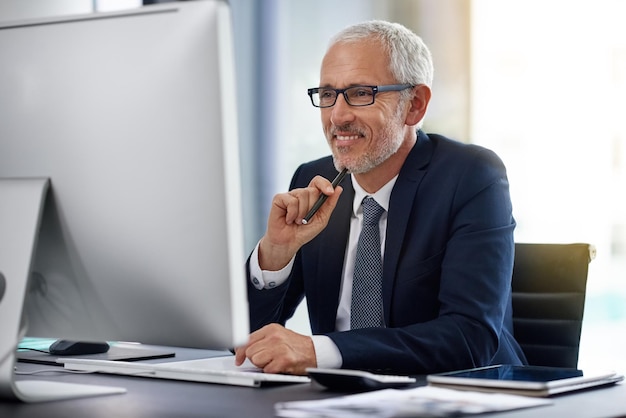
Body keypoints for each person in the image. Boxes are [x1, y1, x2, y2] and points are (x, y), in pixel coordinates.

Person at [235, 20, 527, 376]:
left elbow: (470, 339)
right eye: (328, 95)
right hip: (334, 404)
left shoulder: (470, 177)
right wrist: (274, 257)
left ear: (414, 105)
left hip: (460, 400)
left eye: (360, 93)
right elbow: (240, 341)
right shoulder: (315, 182)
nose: (337, 116)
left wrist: (320, 351)